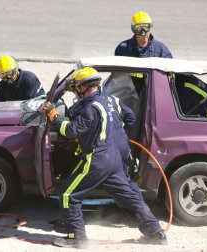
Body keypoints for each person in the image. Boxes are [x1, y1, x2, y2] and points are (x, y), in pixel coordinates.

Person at [43, 67, 167, 249]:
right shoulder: (112, 100)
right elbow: (131, 117)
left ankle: (76, 238)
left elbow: (70, 130)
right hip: (116, 159)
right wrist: (113, 131)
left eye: (77, 88)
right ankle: (156, 234)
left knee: (68, 195)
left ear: (83, 87)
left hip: (98, 160)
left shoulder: (90, 108)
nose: (76, 92)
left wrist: (54, 116)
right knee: (130, 198)